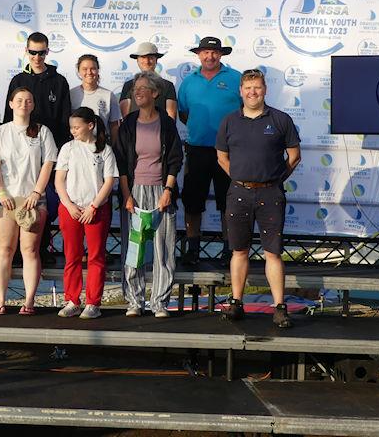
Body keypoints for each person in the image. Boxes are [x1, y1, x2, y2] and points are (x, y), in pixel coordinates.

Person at [215, 69, 301, 328]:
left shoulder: (281, 119)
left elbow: (294, 156)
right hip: (238, 193)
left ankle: (279, 308)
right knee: (239, 250)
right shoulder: (229, 121)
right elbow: (222, 157)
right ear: (240, 91)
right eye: (248, 88)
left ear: (265, 90)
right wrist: (241, 178)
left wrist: (273, 180)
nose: (253, 92)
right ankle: (237, 303)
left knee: (272, 252)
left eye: (257, 87)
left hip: (271, 193)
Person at [114, 71, 183, 318]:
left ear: (155, 94)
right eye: (135, 89)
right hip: (134, 192)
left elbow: (175, 160)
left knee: (162, 250)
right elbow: (121, 163)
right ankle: (134, 301)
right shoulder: (128, 124)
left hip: (161, 193)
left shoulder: (166, 123)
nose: (137, 92)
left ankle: (160, 303)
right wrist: (126, 196)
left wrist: (168, 191)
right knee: (135, 250)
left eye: (143, 88)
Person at [0, 87, 58, 315]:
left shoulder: (42, 132)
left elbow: (48, 163)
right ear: (10, 104)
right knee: (5, 249)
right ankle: (0, 299)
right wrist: (1, 192)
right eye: (19, 100)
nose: (23, 104)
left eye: (28, 100)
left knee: (30, 250)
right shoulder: (0, 132)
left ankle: (29, 301)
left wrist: (37, 193)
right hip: (5, 199)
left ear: (33, 105)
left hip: (33, 200)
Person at [4, 31, 71, 265]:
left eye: (41, 52)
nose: (37, 57)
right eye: (32, 52)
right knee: (18, 199)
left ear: (47, 52)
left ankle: (41, 248)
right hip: (20, 154)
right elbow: (7, 120)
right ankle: (13, 253)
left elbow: (65, 122)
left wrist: (62, 158)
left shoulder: (59, 81)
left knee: (46, 202)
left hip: (50, 154)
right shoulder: (17, 81)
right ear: (26, 51)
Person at [177, 36, 242, 267]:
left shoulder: (236, 78)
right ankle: (192, 249)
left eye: (214, 53)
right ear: (198, 55)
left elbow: (246, 111)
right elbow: (184, 114)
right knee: (193, 202)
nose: (210, 56)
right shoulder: (188, 83)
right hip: (197, 150)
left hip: (229, 151)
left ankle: (229, 250)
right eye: (205, 52)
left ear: (221, 55)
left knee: (229, 203)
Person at [55, 107, 119, 320]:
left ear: (90, 125)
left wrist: (93, 206)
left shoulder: (104, 150)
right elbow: (59, 180)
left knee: (95, 257)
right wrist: (69, 205)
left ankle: (93, 302)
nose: (73, 131)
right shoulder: (67, 148)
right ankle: (72, 300)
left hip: (96, 211)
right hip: (70, 209)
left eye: (77, 127)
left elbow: (109, 181)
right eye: (71, 127)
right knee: (72, 256)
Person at [70, 54, 121, 144]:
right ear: (79, 71)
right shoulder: (71, 95)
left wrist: (114, 148)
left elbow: (114, 126)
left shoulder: (108, 95)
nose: (89, 72)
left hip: (101, 146)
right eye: (85, 69)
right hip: (77, 147)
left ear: (98, 70)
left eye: (93, 68)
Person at [119, 42, 177, 119]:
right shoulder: (128, 85)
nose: (147, 61)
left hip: (160, 129)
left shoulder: (167, 86)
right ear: (137, 60)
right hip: (133, 130)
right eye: (143, 57)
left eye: (151, 57)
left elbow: (171, 117)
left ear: (156, 60)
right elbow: (125, 117)